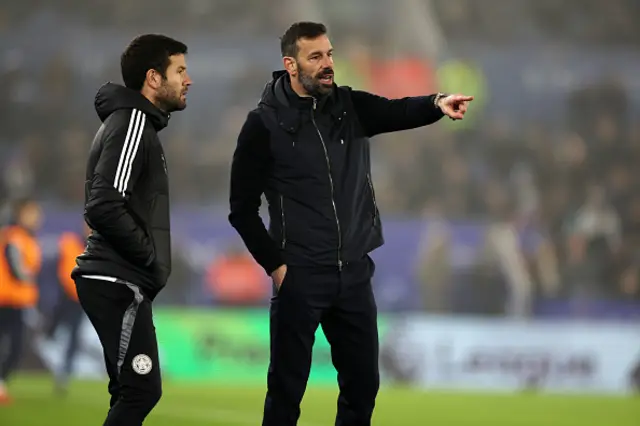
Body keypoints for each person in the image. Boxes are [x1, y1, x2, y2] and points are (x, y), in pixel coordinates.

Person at [228, 21, 473, 426]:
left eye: (329, 54)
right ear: (291, 65)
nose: (327, 64)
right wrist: (277, 266)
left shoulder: (348, 106)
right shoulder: (263, 125)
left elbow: (396, 110)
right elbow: (241, 208)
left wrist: (436, 103)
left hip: (354, 274)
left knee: (362, 389)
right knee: (287, 393)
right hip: (300, 275)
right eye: (316, 57)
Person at [71, 34, 192, 426]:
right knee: (142, 390)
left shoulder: (133, 123)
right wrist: (147, 256)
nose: (188, 80)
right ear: (154, 79)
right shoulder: (134, 123)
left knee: (127, 391)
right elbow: (104, 202)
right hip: (116, 278)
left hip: (117, 278)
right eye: (180, 71)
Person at [0, 198, 43, 404]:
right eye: (32, 213)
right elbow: (16, 268)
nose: (37, 218)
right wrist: (29, 277)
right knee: (12, 347)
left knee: (16, 348)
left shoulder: (27, 238)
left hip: (18, 302)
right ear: (20, 214)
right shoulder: (14, 237)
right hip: (5, 301)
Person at [46, 222, 91, 395]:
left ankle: (64, 373)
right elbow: (54, 270)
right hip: (61, 298)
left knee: (73, 337)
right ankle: (52, 365)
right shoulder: (69, 242)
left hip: (80, 301)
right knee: (52, 331)